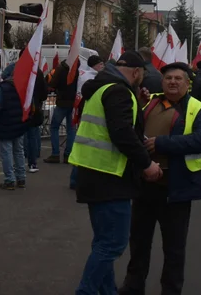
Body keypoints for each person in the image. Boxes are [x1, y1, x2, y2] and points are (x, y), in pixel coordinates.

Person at [71, 51, 162, 295]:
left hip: (94, 174)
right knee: (112, 244)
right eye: (142, 75)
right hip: (110, 177)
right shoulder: (119, 92)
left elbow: (118, 123)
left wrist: (139, 105)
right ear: (136, 72)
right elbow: (122, 133)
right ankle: (86, 291)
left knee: (104, 242)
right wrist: (147, 164)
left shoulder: (104, 87)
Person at [120, 62, 201, 295]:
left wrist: (161, 143)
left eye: (178, 78)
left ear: (187, 83)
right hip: (144, 185)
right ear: (162, 81)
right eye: (168, 78)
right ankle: (133, 286)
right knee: (139, 241)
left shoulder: (197, 108)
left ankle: (171, 290)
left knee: (174, 247)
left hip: (176, 189)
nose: (173, 82)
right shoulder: (149, 102)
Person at [70, 55, 105, 191]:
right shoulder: (91, 79)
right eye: (100, 64)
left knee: (82, 149)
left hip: (85, 118)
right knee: (83, 150)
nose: (102, 66)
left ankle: (76, 179)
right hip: (88, 119)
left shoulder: (85, 76)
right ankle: (76, 179)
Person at [0, 62, 28, 190]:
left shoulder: (4, 87)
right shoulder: (23, 86)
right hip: (18, 122)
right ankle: (21, 178)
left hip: (5, 123)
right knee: (19, 151)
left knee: (6, 152)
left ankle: (9, 180)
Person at [45, 58, 79, 164]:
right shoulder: (80, 68)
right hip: (74, 103)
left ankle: (55, 154)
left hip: (62, 102)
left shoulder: (61, 68)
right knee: (71, 129)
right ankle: (68, 154)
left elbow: (53, 83)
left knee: (54, 127)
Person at [24, 67, 48, 172]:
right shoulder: (38, 72)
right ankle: (32, 161)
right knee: (32, 135)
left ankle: (22, 162)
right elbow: (44, 93)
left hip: (21, 108)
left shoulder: (18, 69)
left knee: (20, 137)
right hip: (35, 108)